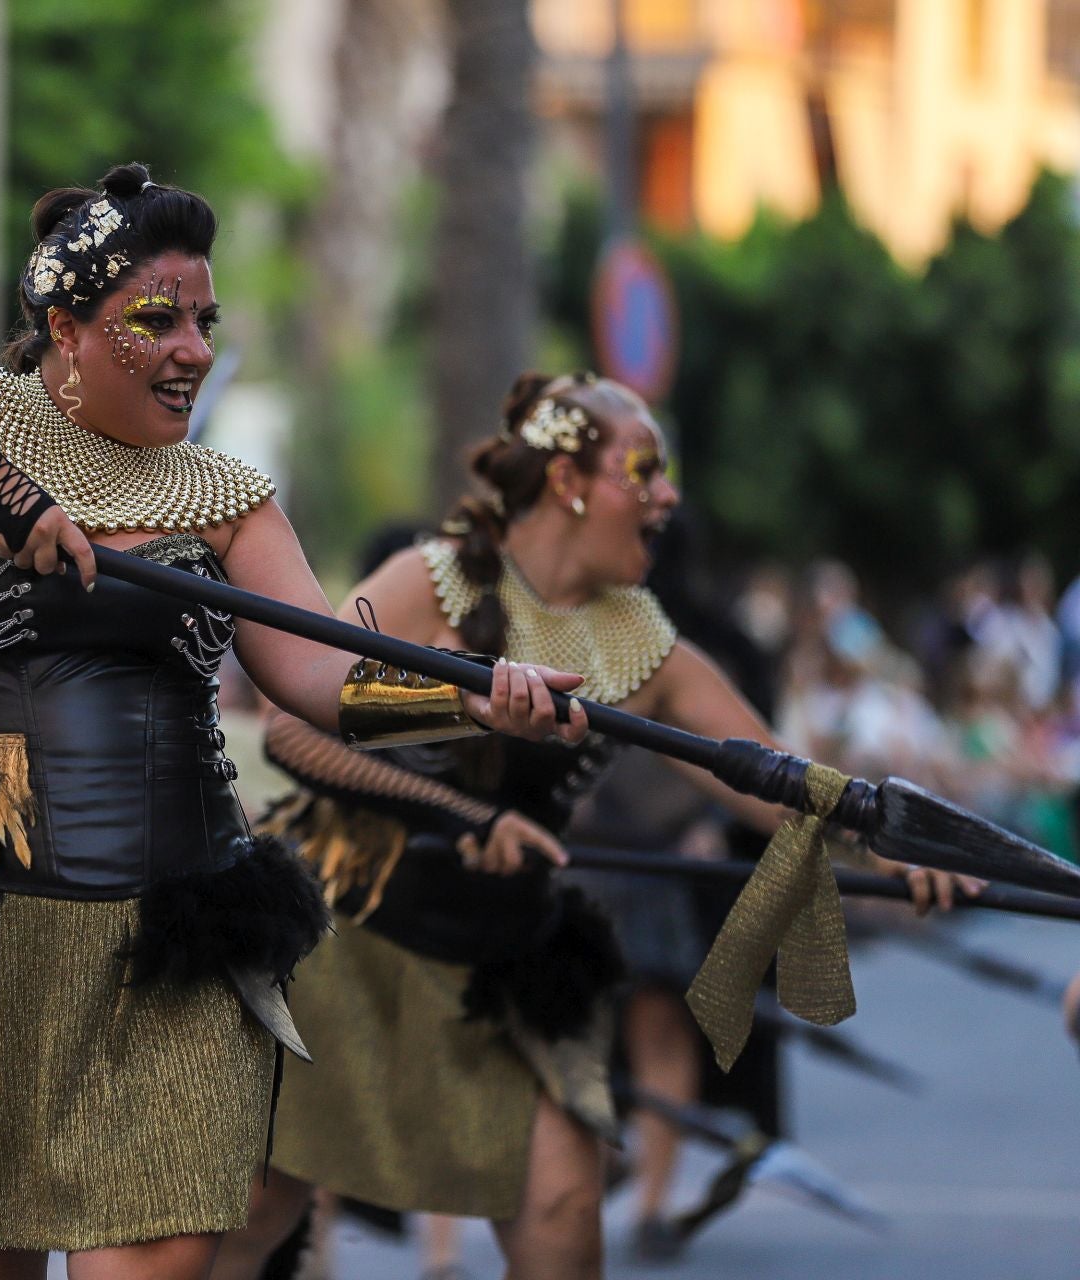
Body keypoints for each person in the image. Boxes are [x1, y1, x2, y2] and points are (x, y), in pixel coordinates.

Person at [0, 162, 579, 1280]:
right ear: (66, 328)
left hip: (167, 933)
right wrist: (6, 496)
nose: (194, 346)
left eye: (205, 318)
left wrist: (469, 696)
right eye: (157, 318)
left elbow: (323, 679)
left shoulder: (224, 493)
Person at [213, 372, 981, 1280]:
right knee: (259, 1210)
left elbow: (779, 784)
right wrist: (460, 803)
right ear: (572, 481)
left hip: (508, 954)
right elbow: (297, 728)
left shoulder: (645, 644)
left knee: (565, 1218)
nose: (669, 496)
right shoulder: (430, 583)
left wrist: (895, 848)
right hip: (358, 930)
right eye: (645, 470)